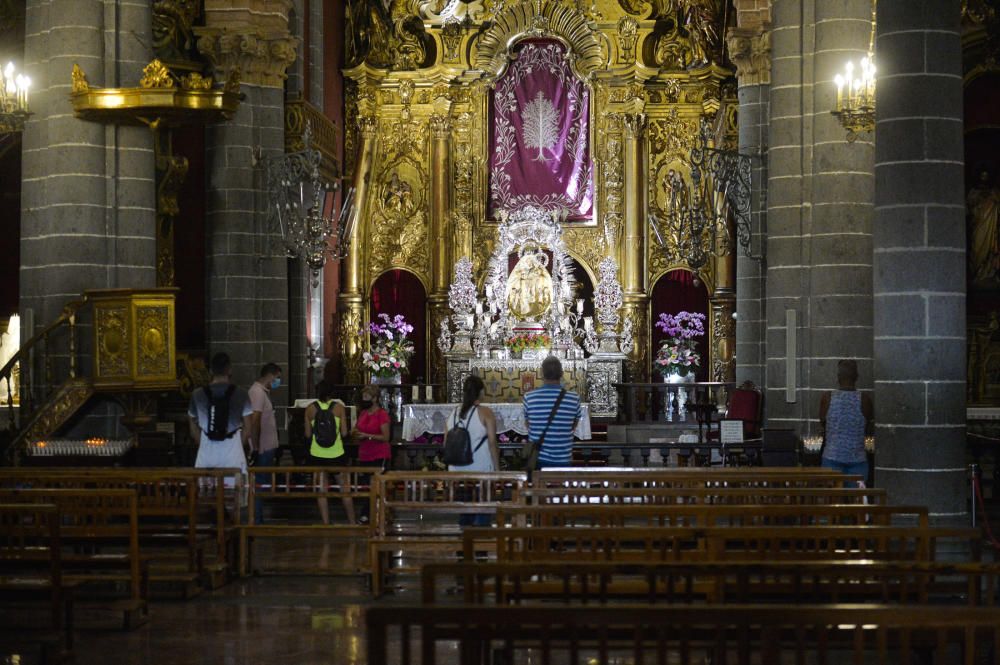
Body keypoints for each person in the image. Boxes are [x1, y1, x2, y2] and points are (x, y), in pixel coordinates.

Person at [188, 352, 254, 485]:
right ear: (229, 369)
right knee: (234, 495)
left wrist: (202, 442)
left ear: (211, 370)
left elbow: (193, 426)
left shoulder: (197, 394)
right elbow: (248, 427)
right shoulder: (241, 394)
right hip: (232, 449)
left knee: (207, 495)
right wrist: (239, 443)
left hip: (207, 449)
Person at [444, 375, 500, 527]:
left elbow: (446, 443)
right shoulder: (485, 412)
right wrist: (497, 469)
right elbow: (492, 443)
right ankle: (479, 544)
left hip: (457, 469)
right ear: (481, 392)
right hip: (480, 468)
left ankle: (465, 543)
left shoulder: (452, 414)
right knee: (483, 507)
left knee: (465, 508)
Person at [304, 380, 355, 525]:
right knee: (345, 490)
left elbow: (307, 434)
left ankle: (326, 523)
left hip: (317, 454)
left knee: (321, 490)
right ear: (332, 393)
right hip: (336, 454)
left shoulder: (309, 409)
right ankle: (352, 522)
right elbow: (344, 433)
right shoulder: (339, 408)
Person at [818, 359, 874, 484]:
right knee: (856, 502)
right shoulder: (865, 400)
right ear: (857, 377)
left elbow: (823, 422)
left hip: (831, 458)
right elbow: (868, 425)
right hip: (857, 460)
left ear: (838, 377)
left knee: (831, 501)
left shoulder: (827, 398)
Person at [523, 356, 582, 469]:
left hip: (538, 458)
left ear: (542, 373)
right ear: (561, 373)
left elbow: (528, 424)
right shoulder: (573, 398)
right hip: (563, 457)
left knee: (538, 486)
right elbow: (574, 425)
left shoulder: (529, 397)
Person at [352, 384, 392, 522]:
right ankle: (369, 514)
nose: (364, 399)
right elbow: (357, 429)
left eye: (366, 397)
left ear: (374, 399)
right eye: (363, 397)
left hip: (379, 454)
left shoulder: (382, 414)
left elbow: (386, 437)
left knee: (377, 487)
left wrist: (367, 436)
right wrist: (356, 434)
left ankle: (370, 515)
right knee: (366, 487)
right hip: (364, 454)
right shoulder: (363, 413)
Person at [248, 362, 281, 523]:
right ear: (270, 375)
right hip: (262, 447)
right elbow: (255, 421)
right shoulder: (257, 393)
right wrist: (255, 447)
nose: (278, 381)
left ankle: (258, 517)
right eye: (277, 377)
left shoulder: (262, 392)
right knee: (259, 484)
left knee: (262, 483)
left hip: (266, 446)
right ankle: (257, 519)